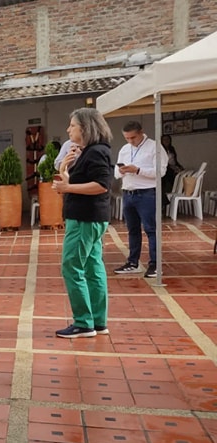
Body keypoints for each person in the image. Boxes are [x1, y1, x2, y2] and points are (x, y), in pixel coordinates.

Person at [51, 108, 114, 338]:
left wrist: (67, 187)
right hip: (90, 218)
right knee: (92, 267)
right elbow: (77, 183)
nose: (69, 129)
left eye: (73, 125)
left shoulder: (96, 152)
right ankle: (97, 321)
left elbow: (101, 185)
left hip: (85, 219)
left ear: (86, 128)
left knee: (72, 265)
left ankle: (83, 323)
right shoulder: (90, 151)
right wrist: (64, 170)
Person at [113, 120, 168, 279]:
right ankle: (132, 262)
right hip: (128, 192)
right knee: (133, 230)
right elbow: (116, 172)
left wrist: (137, 170)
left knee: (151, 229)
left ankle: (154, 264)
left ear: (141, 132)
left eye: (133, 138)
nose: (130, 141)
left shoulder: (154, 147)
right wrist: (122, 170)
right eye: (127, 138)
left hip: (146, 193)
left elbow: (160, 171)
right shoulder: (125, 149)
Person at [161, 134, 183, 209]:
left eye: (168, 139)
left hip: (173, 169)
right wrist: (172, 167)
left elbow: (174, 160)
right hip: (166, 170)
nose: (166, 141)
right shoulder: (161, 150)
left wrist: (179, 167)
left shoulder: (172, 149)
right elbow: (163, 162)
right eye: (164, 140)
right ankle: (165, 203)